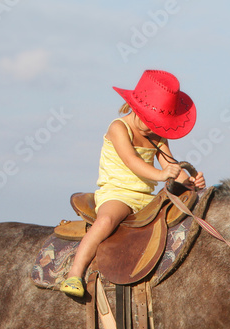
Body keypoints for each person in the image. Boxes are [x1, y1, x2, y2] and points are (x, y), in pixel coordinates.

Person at [61, 69, 206, 297]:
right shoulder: (119, 128)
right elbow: (131, 161)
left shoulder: (157, 134)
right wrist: (161, 175)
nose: (152, 127)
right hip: (118, 193)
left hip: (146, 198)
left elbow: (171, 165)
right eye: (150, 121)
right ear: (135, 108)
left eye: (158, 123)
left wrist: (189, 182)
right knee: (107, 220)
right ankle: (74, 273)